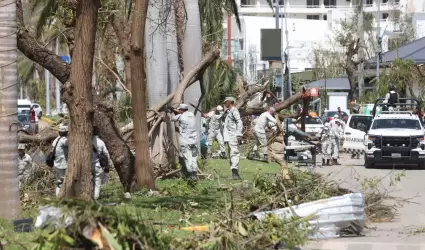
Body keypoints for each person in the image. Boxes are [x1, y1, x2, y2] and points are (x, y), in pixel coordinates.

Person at [171, 104, 198, 180]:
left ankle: (190, 175)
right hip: (194, 141)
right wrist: (176, 110)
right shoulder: (192, 114)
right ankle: (195, 174)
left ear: (181, 110)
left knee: (187, 158)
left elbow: (172, 118)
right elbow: (182, 113)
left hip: (186, 142)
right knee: (193, 159)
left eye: (179, 110)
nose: (178, 111)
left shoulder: (180, 116)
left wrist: (171, 111)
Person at [223, 97, 243, 180]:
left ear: (230, 102)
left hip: (234, 135)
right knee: (230, 154)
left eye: (226, 102)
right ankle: (234, 174)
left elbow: (239, 121)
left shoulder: (234, 110)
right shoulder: (229, 111)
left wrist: (239, 134)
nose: (225, 103)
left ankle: (235, 174)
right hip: (229, 136)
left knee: (234, 153)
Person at [92, 126, 110, 200]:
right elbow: (106, 154)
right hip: (97, 165)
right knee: (97, 183)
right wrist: (107, 164)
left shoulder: (86, 141)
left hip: (87, 165)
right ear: (98, 133)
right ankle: (95, 198)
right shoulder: (101, 142)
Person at [52, 125, 69, 196]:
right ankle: (63, 195)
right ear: (66, 132)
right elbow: (68, 143)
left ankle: (57, 195)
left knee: (59, 180)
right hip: (62, 164)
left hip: (56, 163)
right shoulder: (64, 140)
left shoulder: (57, 139)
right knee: (65, 180)